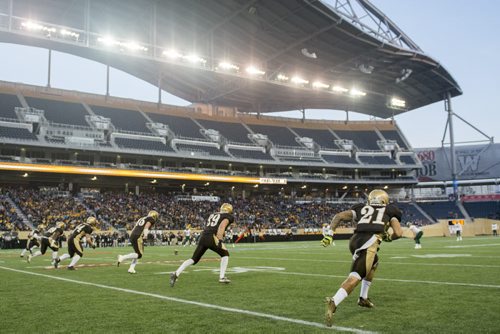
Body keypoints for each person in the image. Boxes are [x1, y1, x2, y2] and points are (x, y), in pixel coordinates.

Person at [322, 189, 403, 327]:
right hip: (369, 241)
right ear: (385, 200)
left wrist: (329, 234)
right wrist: (389, 238)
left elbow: (339, 216)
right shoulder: (391, 210)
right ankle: (334, 301)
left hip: (354, 240)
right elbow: (399, 232)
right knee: (355, 277)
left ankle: (363, 298)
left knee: (374, 262)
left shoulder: (361, 208)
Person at [170, 203, 234, 287]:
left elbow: (214, 226)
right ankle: (222, 277)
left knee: (194, 259)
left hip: (203, 236)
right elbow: (221, 227)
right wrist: (220, 240)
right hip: (212, 237)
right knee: (225, 254)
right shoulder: (228, 216)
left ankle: (176, 273)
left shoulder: (213, 214)